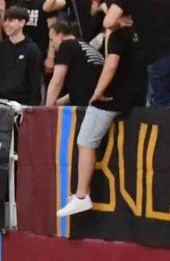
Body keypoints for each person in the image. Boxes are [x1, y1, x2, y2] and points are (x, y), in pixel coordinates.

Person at [56, 11, 143, 219]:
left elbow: (110, 66)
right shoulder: (141, 33)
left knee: (85, 141)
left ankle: (81, 195)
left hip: (114, 97)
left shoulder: (118, 35)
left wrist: (97, 93)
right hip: (137, 96)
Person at [0, 7, 43, 105]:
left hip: (23, 103)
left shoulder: (32, 49)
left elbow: (35, 82)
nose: (6, 24)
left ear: (22, 22)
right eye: (5, 20)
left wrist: (31, 107)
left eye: (11, 20)